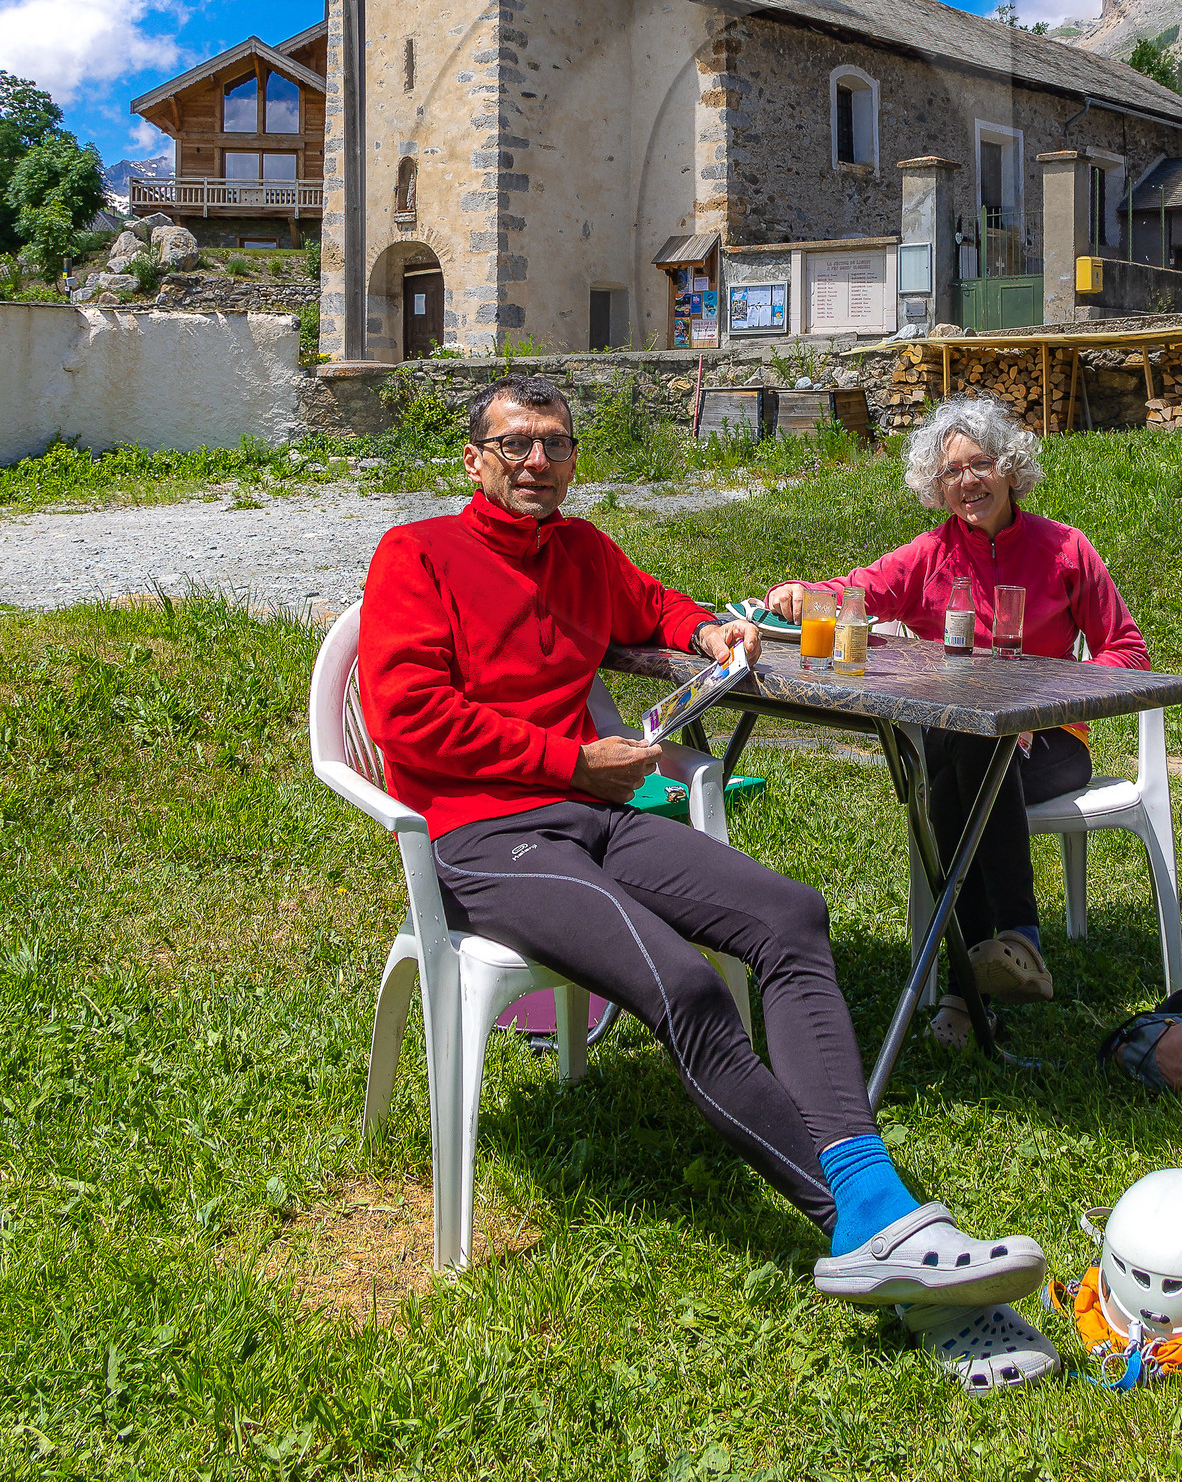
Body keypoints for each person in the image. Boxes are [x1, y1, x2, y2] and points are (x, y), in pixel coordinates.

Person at [358, 373, 1048, 1354]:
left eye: (554, 442)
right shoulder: (416, 553)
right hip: (485, 836)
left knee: (791, 916)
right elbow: (409, 719)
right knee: (682, 984)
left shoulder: (582, 550)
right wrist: (574, 761)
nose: (538, 461)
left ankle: (875, 1205)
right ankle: (865, 1227)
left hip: (593, 812)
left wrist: (701, 628)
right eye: (515, 444)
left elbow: (651, 602)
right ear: (474, 459)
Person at [764, 392, 1149, 1040]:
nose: (968, 480)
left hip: (1050, 743)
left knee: (949, 782)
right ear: (937, 488)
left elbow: (1128, 652)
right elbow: (859, 590)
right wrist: (806, 595)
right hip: (960, 739)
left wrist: (1043, 695)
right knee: (966, 735)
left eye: (982, 463)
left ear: (1010, 467)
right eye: (952, 471)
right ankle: (1014, 947)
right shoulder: (929, 554)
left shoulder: (1066, 549)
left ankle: (968, 993)